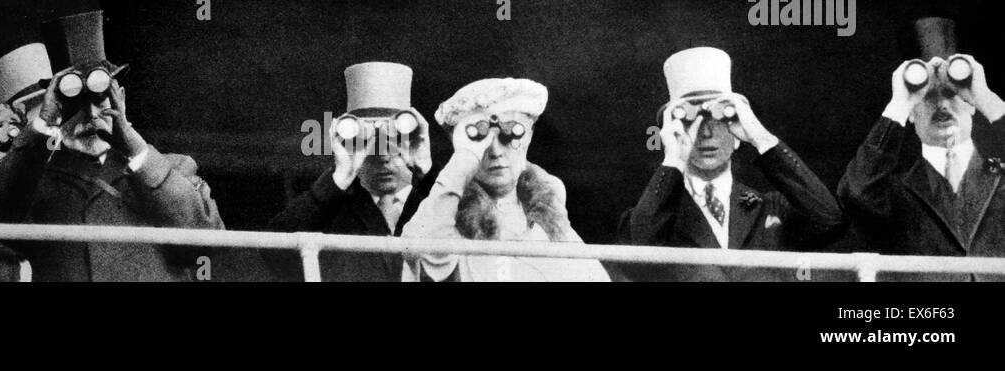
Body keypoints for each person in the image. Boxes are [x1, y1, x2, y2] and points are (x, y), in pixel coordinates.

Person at [0, 10, 223, 282]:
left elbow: (204, 245)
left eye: (101, 99)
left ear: (121, 99)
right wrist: (44, 125)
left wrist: (133, 145)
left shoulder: (174, 169)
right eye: (72, 106)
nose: (90, 115)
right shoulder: (33, 181)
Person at [613, 47, 844, 282]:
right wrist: (673, 160)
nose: (707, 133)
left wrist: (760, 137)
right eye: (693, 123)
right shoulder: (653, 217)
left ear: (737, 136)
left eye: (721, 121)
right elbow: (636, 256)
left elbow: (829, 220)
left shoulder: (771, 208)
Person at [837, 18, 1005, 281]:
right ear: (911, 114)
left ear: (971, 104)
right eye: (927, 96)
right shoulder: (893, 190)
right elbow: (855, 194)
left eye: (951, 93)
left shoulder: (1001, 175)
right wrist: (898, 104)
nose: (942, 105)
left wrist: (986, 97)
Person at [401, 78, 609, 282]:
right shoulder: (450, 216)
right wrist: (463, 161)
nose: (496, 152)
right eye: (481, 140)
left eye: (508, 137)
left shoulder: (548, 218)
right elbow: (419, 256)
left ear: (528, 136)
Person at [264, 62, 438, 282]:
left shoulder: (435, 203)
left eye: (394, 138)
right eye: (369, 141)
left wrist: (427, 171)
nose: (383, 156)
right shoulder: (332, 211)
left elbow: (477, 237)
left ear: (412, 137)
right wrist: (338, 178)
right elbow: (272, 250)